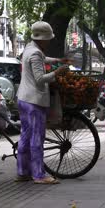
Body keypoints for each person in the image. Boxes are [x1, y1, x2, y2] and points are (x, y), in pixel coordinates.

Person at [15, 21, 68, 185]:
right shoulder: (36, 53)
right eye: (48, 39)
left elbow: (44, 59)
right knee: (37, 138)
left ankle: (22, 172)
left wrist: (57, 60)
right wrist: (57, 71)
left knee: (25, 136)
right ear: (43, 39)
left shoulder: (29, 49)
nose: (49, 41)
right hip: (34, 101)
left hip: (23, 98)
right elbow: (39, 80)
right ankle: (39, 174)